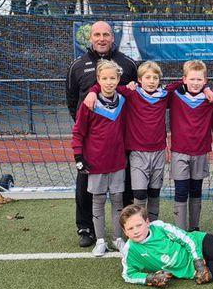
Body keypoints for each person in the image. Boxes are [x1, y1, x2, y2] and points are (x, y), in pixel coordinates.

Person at [68, 21, 138, 244]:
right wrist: (89, 132)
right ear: (90, 38)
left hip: (120, 141)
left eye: (106, 34)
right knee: (85, 188)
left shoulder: (127, 64)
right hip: (92, 143)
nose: (101, 38)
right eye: (97, 34)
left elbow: (134, 93)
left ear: (112, 37)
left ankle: (126, 229)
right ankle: (86, 228)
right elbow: (72, 101)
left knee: (123, 188)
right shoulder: (77, 65)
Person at [85, 60, 170, 221]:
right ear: (139, 79)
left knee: (154, 193)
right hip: (137, 152)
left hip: (159, 151)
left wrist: (206, 88)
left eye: (155, 78)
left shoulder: (164, 95)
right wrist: (92, 91)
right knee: (139, 194)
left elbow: (182, 85)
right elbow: (109, 86)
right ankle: (139, 224)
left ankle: (154, 227)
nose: (151, 81)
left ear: (160, 80)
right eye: (147, 77)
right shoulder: (131, 93)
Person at [72, 60, 128, 255]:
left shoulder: (123, 100)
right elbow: (78, 132)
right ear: (98, 79)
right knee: (98, 201)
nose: (109, 82)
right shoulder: (90, 103)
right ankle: (101, 240)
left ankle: (118, 238)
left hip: (117, 161)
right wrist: (78, 156)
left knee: (118, 200)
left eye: (112, 78)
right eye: (104, 78)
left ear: (118, 79)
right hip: (96, 163)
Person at [167, 59, 213, 231]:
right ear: (184, 79)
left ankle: (194, 229)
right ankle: (180, 231)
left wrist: (207, 89)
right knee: (181, 192)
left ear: (205, 80)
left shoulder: (210, 98)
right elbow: (166, 89)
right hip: (179, 152)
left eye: (199, 79)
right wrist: (181, 84)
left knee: (196, 192)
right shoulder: (175, 95)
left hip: (200, 152)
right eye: (191, 79)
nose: (195, 83)